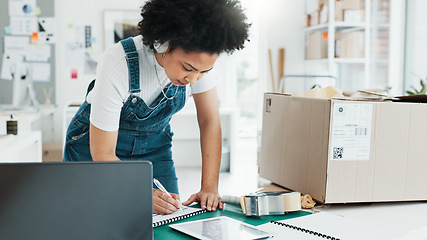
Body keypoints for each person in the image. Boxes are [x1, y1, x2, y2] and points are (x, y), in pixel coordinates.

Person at [63, 0, 250, 215]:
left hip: (153, 148)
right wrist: (139, 193)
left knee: (167, 219)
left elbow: (209, 121)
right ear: (163, 43)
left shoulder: (198, 65)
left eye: (203, 72)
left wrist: (209, 188)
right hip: (95, 149)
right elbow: (103, 153)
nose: (193, 78)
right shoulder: (118, 62)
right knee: (97, 220)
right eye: (187, 68)